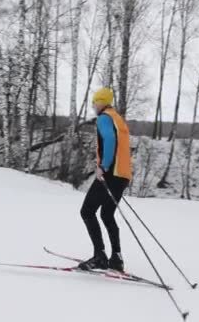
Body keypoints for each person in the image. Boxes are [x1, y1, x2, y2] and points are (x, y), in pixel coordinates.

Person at [78, 87, 132, 272]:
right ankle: (116, 259)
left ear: (101, 102)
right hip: (123, 175)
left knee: (87, 211)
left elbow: (109, 140)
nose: (93, 105)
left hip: (111, 174)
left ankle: (99, 257)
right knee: (107, 215)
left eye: (95, 101)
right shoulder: (118, 119)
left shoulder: (104, 118)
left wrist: (104, 166)